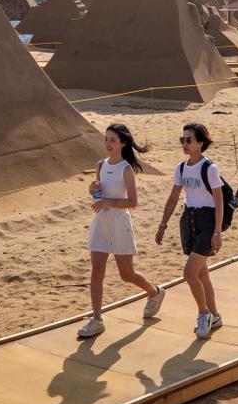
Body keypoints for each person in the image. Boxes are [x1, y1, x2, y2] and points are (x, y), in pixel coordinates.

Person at [77, 124, 165, 338]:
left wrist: (108, 201)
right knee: (97, 271)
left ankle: (154, 292)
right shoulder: (100, 165)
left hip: (119, 223)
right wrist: (92, 189)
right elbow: (97, 193)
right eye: (106, 139)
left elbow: (132, 202)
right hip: (101, 223)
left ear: (123, 143)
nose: (108, 144)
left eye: (112, 140)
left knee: (126, 274)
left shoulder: (126, 169)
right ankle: (97, 319)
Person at [156, 123, 225, 339]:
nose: (185, 144)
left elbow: (219, 202)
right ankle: (215, 315)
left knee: (189, 274)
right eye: (182, 140)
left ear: (200, 143)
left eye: (189, 140)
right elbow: (174, 197)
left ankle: (203, 314)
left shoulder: (210, 169)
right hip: (189, 221)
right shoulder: (181, 168)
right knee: (202, 273)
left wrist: (217, 232)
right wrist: (162, 225)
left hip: (207, 222)